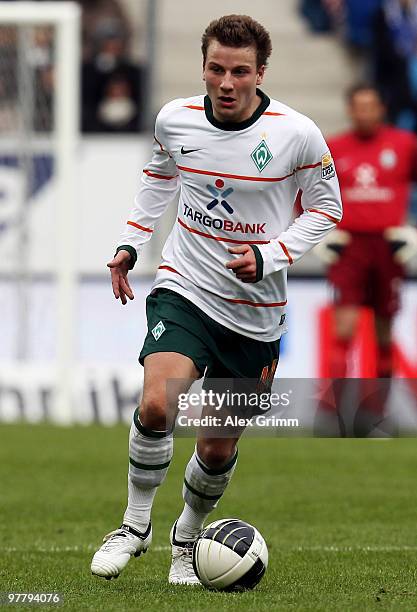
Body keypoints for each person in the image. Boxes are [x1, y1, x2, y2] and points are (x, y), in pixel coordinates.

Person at [91, 14, 342, 585]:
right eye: (215, 69)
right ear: (202, 66)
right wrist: (132, 242)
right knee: (159, 403)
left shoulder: (296, 134)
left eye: (239, 72)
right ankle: (134, 526)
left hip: (255, 312)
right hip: (186, 284)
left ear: (260, 73)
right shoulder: (174, 120)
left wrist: (272, 254)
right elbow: (159, 177)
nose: (226, 83)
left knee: (217, 446)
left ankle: (187, 537)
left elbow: (328, 208)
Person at [316, 84, 417, 384]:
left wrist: (413, 230)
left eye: (370, 106)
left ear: (381, 109)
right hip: (349, 247)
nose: (364, 113)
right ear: (349, 110)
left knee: (385, 334)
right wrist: (322, 232)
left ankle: (377, 417)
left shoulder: (405, 144)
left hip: (389, 246)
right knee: (343, 330)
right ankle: (337, 418)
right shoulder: (333, 148)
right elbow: (309, 193)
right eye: (359, 107)